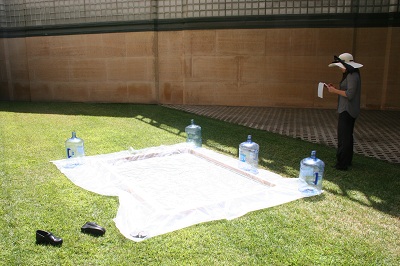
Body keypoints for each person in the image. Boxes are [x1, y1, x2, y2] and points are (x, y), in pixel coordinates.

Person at [325, 53, 363, 171]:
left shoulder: (352, 75)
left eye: (340, 65)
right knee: (347, 136)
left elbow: (350, 94)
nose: (339, 68)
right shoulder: (351, 74)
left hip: (348, 110)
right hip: (347, 109)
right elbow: (347, 90)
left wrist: (334, 91)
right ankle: (346, 160)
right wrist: (335, 88)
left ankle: (342, 163)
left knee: (344, 137)